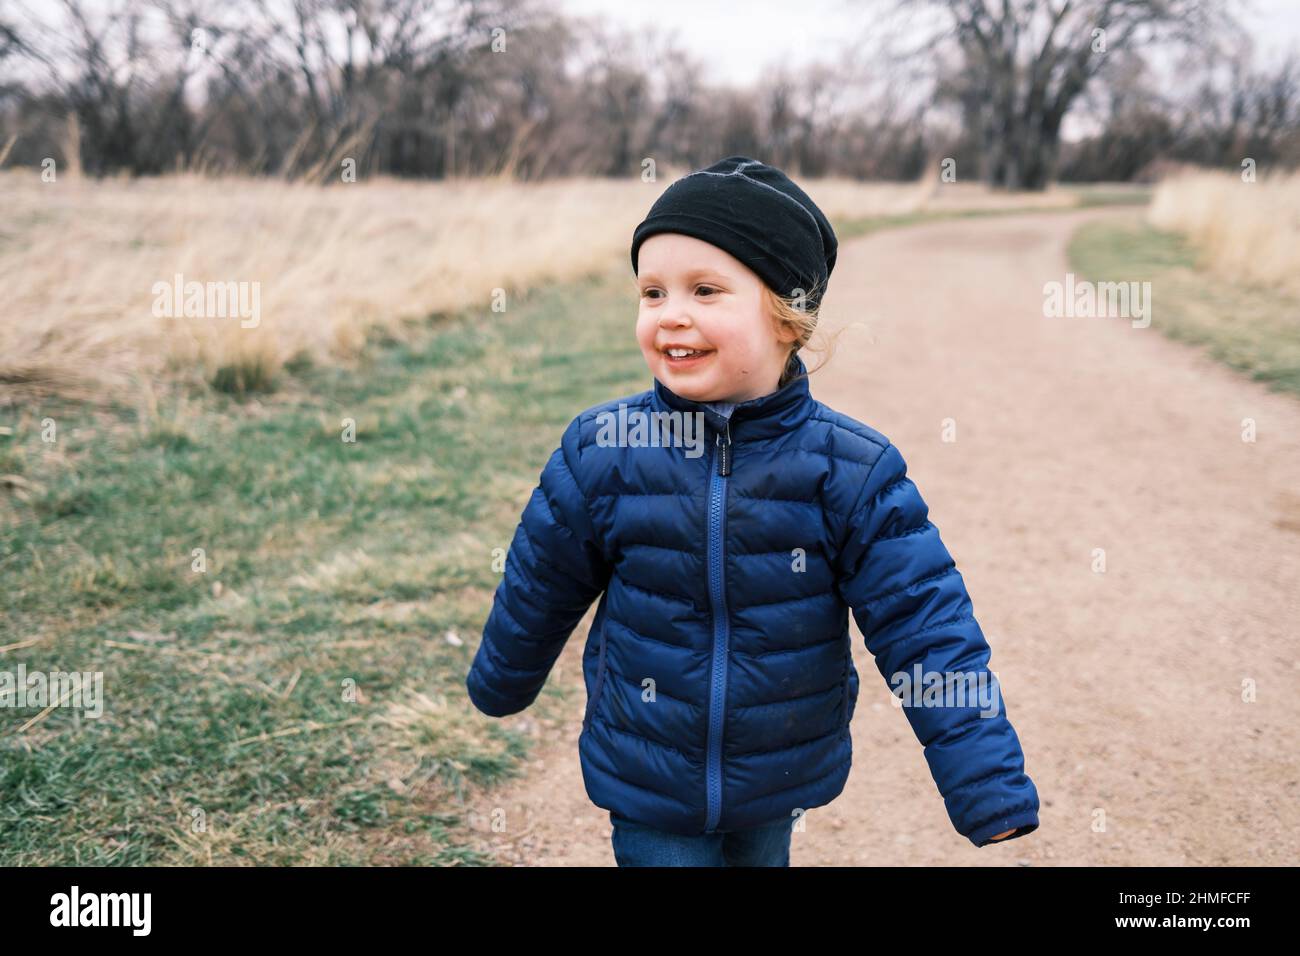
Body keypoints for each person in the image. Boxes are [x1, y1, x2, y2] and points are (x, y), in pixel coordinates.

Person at [466, 155, 1040, 866]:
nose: (671, 313)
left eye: (705, 290)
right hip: (646, 770)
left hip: (780, 770)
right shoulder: (604, 449)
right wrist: (502, 679)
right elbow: (540, 581)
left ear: (786, 315)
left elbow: (925, 627)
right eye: (651, 292)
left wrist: (985, 784)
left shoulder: (850, 469)